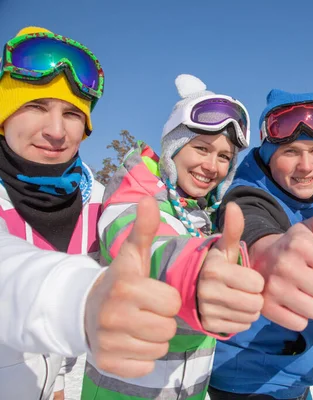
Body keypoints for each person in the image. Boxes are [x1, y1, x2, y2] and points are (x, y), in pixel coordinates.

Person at [0, 26, 182, 400]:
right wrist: (80, 300)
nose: (56, 130)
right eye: (35, 107)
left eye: (71, 113)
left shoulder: (96, 203)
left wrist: (59, 383)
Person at [81, 73, 265, 399]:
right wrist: (195, 273)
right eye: (201, 148)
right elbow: (143, 247)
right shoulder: (134, 193)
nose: (212, 165)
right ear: (173, 148)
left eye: (224, 157)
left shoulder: (203, 214)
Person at [208, 89, 313, 400]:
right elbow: (251, 224)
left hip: (296, 378)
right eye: (290, 152)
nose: (305, 165)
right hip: (248, 382)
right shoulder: (248, 193)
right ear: (268, 156)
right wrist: (264, 252)